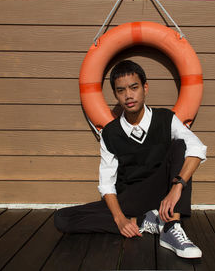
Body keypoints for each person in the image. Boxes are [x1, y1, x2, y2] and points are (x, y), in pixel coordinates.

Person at [54, 60, 207, 259]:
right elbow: (107, 184)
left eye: (134, 88)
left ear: (145, 88)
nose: (128, 95)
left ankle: (171, 227)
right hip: (130, 199)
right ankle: (144, 221)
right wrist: (120, 220)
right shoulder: (110, 133)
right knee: (63, 218)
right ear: (116, 95)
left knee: (182, 145)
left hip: (163, 192)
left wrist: (177, 186)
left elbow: (197, 147)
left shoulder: (165, 118)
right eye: (121, 90)